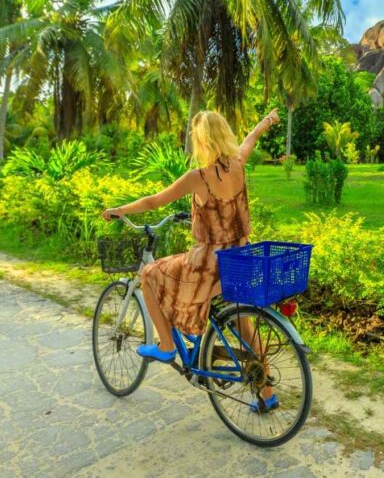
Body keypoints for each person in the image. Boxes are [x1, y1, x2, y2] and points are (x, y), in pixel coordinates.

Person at [101, 108, 280, 410]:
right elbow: (250, 140)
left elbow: (153, 201)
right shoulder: (238, 164)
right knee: (247, 327)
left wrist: (121, 209)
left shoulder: (198, 178)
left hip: (208, 264)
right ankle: (267, 396)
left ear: (202, 140)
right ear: (224, 135)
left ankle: (167, 345)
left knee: (149, 274)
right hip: (239, 259)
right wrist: (267, 122)